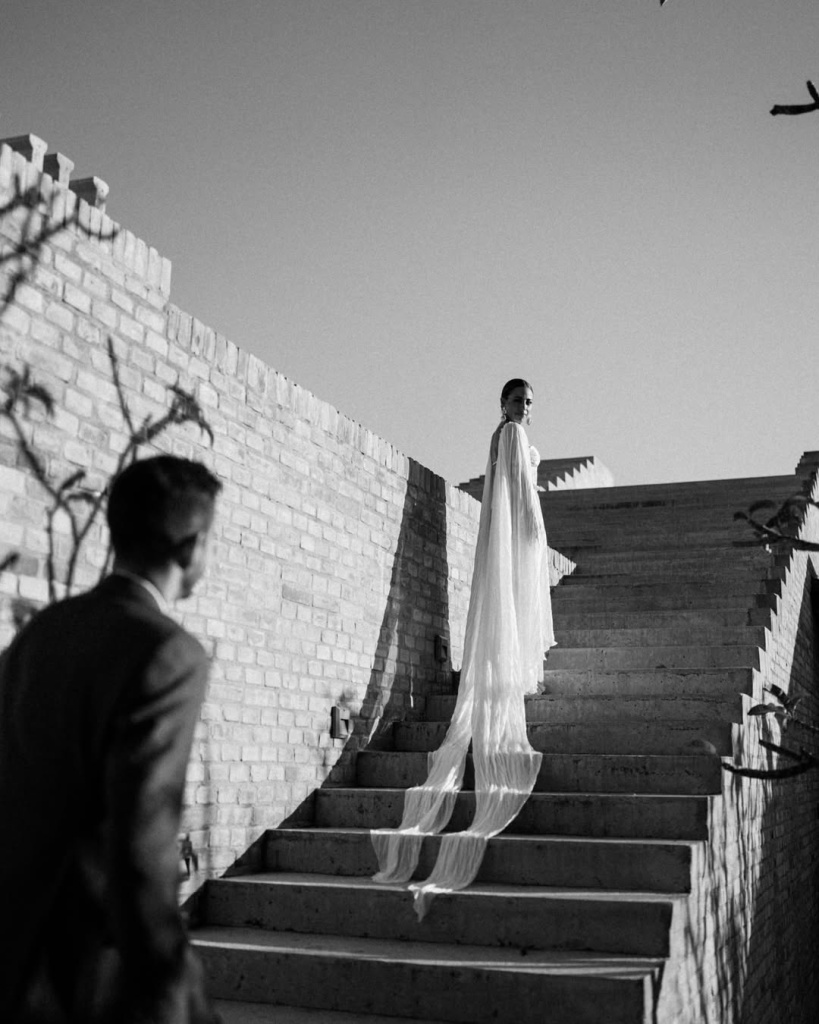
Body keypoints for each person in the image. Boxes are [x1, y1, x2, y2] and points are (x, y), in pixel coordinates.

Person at [0, 455, 222, 1023]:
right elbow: (140, 850)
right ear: (191, 547)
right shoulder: (168, 653)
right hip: (85, 973)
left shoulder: (39, 634)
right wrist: (176, 997)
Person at [371, 378, 556, 919]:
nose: (524, 408)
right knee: (516, 599)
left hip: (501, 531)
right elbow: (520, 489)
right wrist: (534, 533)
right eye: (518, 400)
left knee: (506, 603)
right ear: (503, 403)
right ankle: (517, 676)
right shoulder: (513, 435)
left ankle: (513, 671)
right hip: (518, 528)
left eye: (529, 402)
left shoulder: (499, 436)